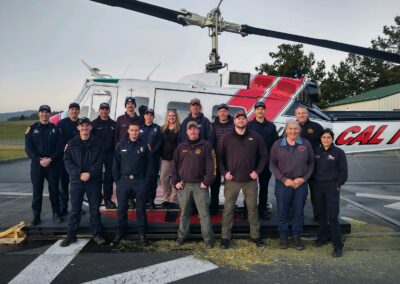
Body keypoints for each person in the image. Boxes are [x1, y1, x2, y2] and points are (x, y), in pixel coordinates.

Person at [218, 110, 268, 249]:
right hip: (232, 180)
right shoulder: (226, 138)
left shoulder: (255, 137)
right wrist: (224, 172)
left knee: (252, 208)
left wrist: (257, 171)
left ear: (246, 121)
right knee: (228, 209)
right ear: (234, 121)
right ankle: (225, 237)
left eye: (243, 118)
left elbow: (264, 155)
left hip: (250, 181)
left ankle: (255, 236)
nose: (240, 120)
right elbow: (219, 157)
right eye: (238, 118)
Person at [270, 119, 315, 250]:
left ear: (300, 130)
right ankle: (283, 237)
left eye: (296, 129)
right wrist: (283, 179)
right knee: (282, 211)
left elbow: (312, 163)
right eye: (290, 128)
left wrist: (304, 179)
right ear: (285, 130)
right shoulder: (277, 145)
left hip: (300, 184)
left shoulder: (306, 144)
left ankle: (296, 236)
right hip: (283, 184)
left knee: (298, 211)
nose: (293, 131)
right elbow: (272, 164)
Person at [61, 117, 105, 247]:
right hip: (76, 181)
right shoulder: (71, 143)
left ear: (91, 127)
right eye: (82, 126)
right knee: (75, 209)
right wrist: (79, 173)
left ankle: (97, 234)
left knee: (94, 209)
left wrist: (90, 174)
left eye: (87, 126)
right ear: (78, 127)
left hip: (93, 181)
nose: (84, 128)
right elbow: (67, 161)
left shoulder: (98, 143)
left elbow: (100, 161)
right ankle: (71, 235)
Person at [171, 121, 216, 248]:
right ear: (186, 132)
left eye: (195, 129)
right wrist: (175, 182)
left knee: (204, 213)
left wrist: (206, 182)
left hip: (200, 186)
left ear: (198, 131)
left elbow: (212, 166)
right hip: (184, 185)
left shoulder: (206, 146)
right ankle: (182, 236)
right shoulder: (181, 147)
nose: (193, 131)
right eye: (190, 129)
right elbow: (174, 166)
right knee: (184, 213)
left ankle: (208, 238)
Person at [112, 121, 153, 246]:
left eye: (136, 130)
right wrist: (118, 181)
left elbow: (150, 164)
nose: (134, 133)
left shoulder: (144, 145)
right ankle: (120, 232)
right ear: (128, 131)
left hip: (140, 181)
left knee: (140, 209)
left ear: (139, 131)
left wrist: (146, 181)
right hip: (123, 181)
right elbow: (115, 165)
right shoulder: (121, 144)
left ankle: (141, 234)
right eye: (132, 130)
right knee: (122, 209)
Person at [310, 129, 348, 257]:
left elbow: (344, 172)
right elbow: (311, 169)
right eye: (324, 137)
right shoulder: (316, 152)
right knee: (321, 215)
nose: (326, 139)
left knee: (332, 216)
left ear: (332, 139)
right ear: (320, 139)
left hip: (332, 187)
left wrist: (338, 185)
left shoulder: (339, 153)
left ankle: (338, 245)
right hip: (317, 187)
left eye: (328, 137)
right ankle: (322, 238)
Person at [25, 105, 64, 225]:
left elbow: (60, 147)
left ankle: (56, 213)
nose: (44, 114)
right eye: (42, 112)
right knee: (37, 191)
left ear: (50, 114)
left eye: (47, 112)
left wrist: (50, 159)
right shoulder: (31, 129)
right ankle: (36, 215)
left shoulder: (55, 129)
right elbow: (28, 148)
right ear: (38, 114)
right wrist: (39, 160)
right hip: (37, 164)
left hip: (53, 164)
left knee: (54, 190)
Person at [247, 101, 279, 220]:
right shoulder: (249, 125)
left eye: (262, 109)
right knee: (250, 189)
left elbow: (275, 143)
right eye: (258, 109)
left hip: (265, 162)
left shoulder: (271, 126)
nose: (260, 111)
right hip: (251, 162)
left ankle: (262, 211)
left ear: (265, 111)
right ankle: (248, 210)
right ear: (255, 111)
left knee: (264, 188)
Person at [295, 105, 323, 221]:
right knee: (298, 193)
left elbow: (326, 142)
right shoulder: (291, 127)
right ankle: (297, 215)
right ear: (295, 115)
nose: (301, 115)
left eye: (303, 113)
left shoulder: (316, 127)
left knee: (316, 192)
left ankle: (318, 215)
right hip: (297, 166)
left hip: (314, 165)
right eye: (299, 113)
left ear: (307, 114)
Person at [115, 97, 142, 209]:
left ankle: (133, 200)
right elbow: (116, 135)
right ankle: (124, 200)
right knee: (124, 177)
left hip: (136, 151)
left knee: (135, 178)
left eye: (132, 103)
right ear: (125, 106)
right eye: (128, 103)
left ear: (135, 105)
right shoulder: (120, 119)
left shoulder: (140, 119)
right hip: (123, 152)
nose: (130, 105)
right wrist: (116, 148)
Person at [91, 102, 117, 209]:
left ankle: (108, 199)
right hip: (97, 154)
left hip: (110, 154)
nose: (104, 111)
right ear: (99, 110)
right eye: (102, 109)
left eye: (106, 109)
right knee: (96, 176)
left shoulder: (114, 124)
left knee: (108, 178)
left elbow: (116, 139)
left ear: (109, 111)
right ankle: (97, 197)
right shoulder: (93, 124)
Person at [210, 103, 234, 216]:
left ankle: (228, 209)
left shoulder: (233, 125)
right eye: (220, 111)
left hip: (230, 159)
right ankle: (213, 207)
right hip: (216, 158)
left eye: (225, 111)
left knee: (230, 185)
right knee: (215, 185)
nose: (223, 113)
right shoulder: (212, 125)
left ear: (227, 112)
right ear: (217, 113)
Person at [58, 102, 80, 216]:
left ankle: (77, 207)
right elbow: (57, 140)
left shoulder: (82, 123)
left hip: (78, 160)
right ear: (69, 111)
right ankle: (63, 207)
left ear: (79, 111)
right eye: (72, 109)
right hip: (65, 159)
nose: (74, 111)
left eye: (76, 109)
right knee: (64, 184)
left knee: (76, 186)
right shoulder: (61, 124)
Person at [140, 108, 161, 209]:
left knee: (152, 181)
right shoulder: (139, 128)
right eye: (147, 114)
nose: (149, 116)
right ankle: (142, 200)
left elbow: (160, 142)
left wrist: (152, 151)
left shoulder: (157, 128)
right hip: (142, 159)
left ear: (153, 117)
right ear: (144, 116)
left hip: (154, 158)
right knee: (142, 180)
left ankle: (151, 200)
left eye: (151, 115)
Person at [159, 109, 180, 207]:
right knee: (163, 177)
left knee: (175, 178)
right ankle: (166, 197)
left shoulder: (180, 129)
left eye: (173, 116)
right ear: (167, 117)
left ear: (176, 117)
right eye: (170, 115)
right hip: (165, 157)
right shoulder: (163, 129)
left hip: (176, 158)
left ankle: (173, 199)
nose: (171, 117)